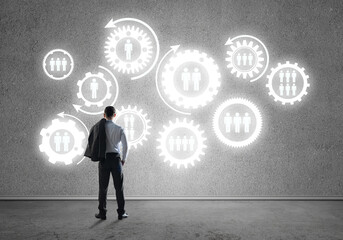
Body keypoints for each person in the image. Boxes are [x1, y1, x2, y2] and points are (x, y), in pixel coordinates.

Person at [84, 106, 128, 221]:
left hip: (104, 159)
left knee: (103, 187)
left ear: (104, 115)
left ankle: (102, 213)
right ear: (114, 115)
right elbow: (125, 146)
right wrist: (123, 159)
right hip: (116, 159)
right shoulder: (119, 128)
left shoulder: (99, 127)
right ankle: (121, 213)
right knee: (119, 187)